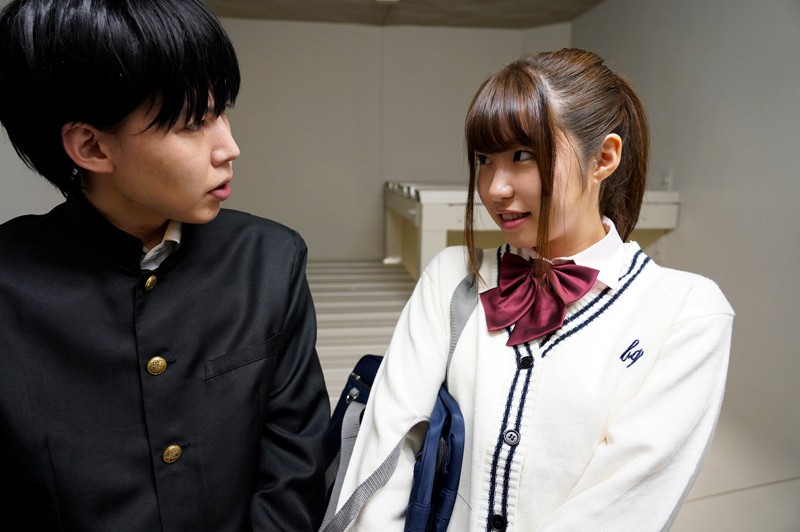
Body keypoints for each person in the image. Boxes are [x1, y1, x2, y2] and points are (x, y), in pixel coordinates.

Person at [335, 49, 734, 531]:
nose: (495, 188)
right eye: (484, 160)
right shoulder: (452, 278)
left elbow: (622, 507)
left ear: (603, 158)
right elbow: (386, 451)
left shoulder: (687, 312)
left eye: (522, 156)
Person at [0, 0, 329, 530]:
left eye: (222, 111)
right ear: (91, 147)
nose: (230, 147)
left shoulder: (269, 259)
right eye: (194, 123)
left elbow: (296, 470)